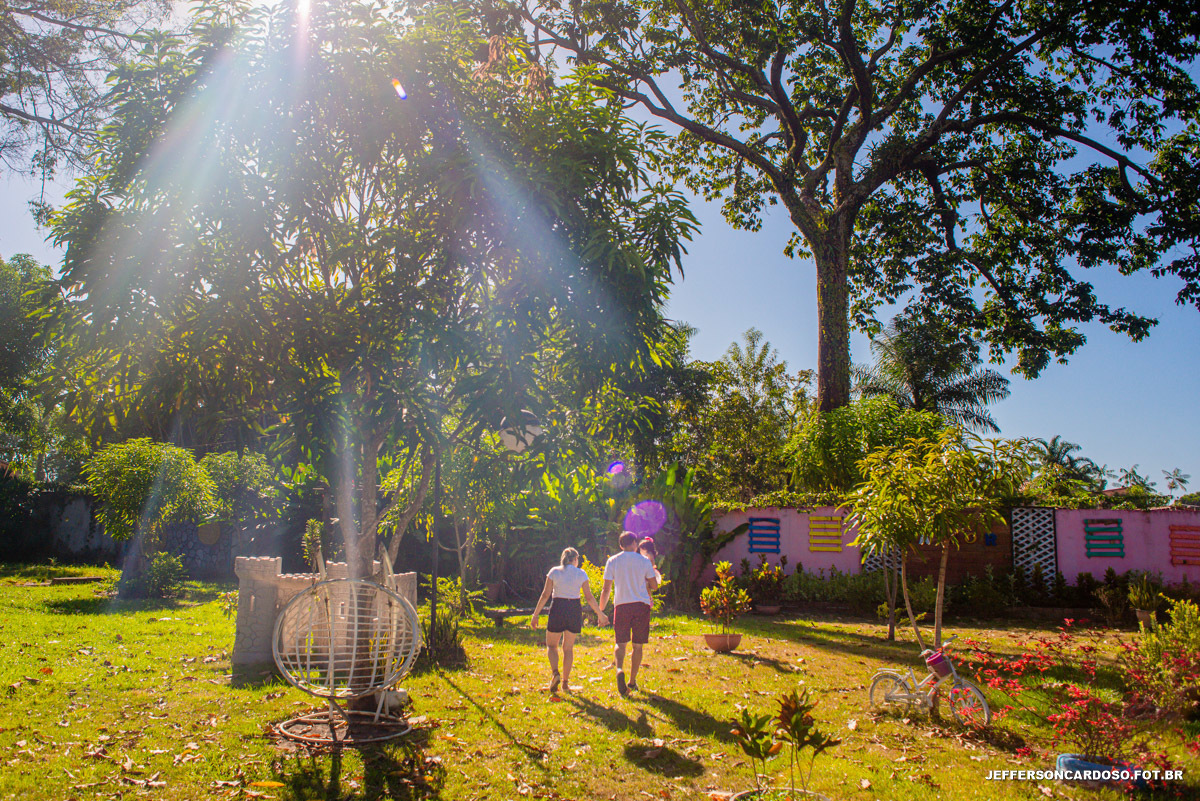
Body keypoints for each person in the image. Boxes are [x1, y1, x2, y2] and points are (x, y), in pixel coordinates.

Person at [530, 547, 608, 693]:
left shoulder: (554, 571)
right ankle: (565, 683)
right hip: (574, 609)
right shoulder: (581, 574)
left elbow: (545, 595)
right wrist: (600, 614)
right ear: (575, 559)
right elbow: (589, 597)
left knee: (552, 645)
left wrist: (535, 615)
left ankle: (555, 674)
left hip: (558, 607)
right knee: (568, 648)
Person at [599, 531, 658, 696]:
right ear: (634, 544)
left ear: (620, 545)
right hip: (641, 605)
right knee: (637, 645)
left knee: (620, 642)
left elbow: (606, 589)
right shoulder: (644, 561)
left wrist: (601, 610)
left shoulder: (613, 561)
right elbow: (654, 586)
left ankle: (619, 669)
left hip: (622, 605)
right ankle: (632, 681)